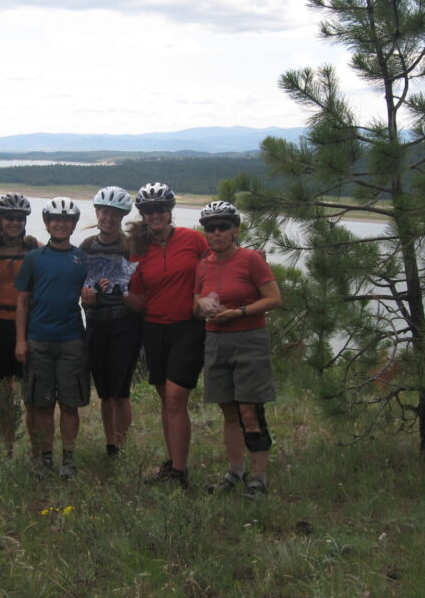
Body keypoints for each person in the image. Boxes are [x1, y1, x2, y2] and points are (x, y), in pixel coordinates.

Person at [193, 201, 282, 498]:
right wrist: (203, 305)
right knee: (229, 411)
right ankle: (235, 471)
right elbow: (196, 302)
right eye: (210, 228)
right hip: (215, 340)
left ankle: (259, 477)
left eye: (222, 227)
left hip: (248, 338)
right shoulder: (203, 264)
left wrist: (239, 312)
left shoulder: (251, 260)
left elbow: (273, 298)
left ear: (235, 230)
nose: (216, 233)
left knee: (249, 410)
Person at [124, 182, 208, 489]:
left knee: (174, 398)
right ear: (143, 214)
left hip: (188, 326)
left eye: (160, 209)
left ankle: (180, 472)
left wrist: (250, 262)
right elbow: (139, 301)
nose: (155, 214)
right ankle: (173, 464)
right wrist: (116, 292)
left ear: (170, 211)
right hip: (154, 328)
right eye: (148, 210)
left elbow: (220, 265)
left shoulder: (193, 239)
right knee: (166, 400)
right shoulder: (139, 249)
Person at [14, 197, 90, 478]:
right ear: (47, 223)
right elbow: (22, 301)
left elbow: (90, 295)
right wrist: (20, 340)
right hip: (38, 339)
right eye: (55, 219)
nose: (61, 224)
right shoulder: (34, 259)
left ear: (73, 225)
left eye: (67, 219)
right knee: (41, 404)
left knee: (70, 404)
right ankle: (45, 457)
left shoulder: (82, 259)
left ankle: (67, 460)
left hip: (72, 339)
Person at [80, 186, 143, 457]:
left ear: (122, 216)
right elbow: (82, 287)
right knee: (105, 391)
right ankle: (110, 445)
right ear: (97, 212)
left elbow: (140, 285)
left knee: (121, 390)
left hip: (124, 325)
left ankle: (123, 444)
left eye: (115, 214)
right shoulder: (86, 246)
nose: (108, 217)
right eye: (104, 211)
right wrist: (85, 298)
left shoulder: (130, 247)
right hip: (96, 323)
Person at [0, 192, 40, 457]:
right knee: (4, 391)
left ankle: (37, 450)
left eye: (19, 218)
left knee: (31, 393)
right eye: (9, 218)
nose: (14, 222)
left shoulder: (34, 247)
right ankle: (6, 448)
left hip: (28, 325)